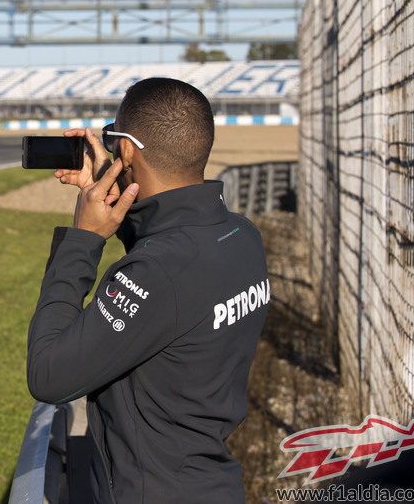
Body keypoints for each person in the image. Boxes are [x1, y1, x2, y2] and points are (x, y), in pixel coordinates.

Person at [26, 77, 269, 503]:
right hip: (214, 484)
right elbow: (172, 270)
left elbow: (48, 375)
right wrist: (120, 200)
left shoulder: (158, 271)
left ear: (126, 149)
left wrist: (85, 239)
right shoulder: (241, 236)